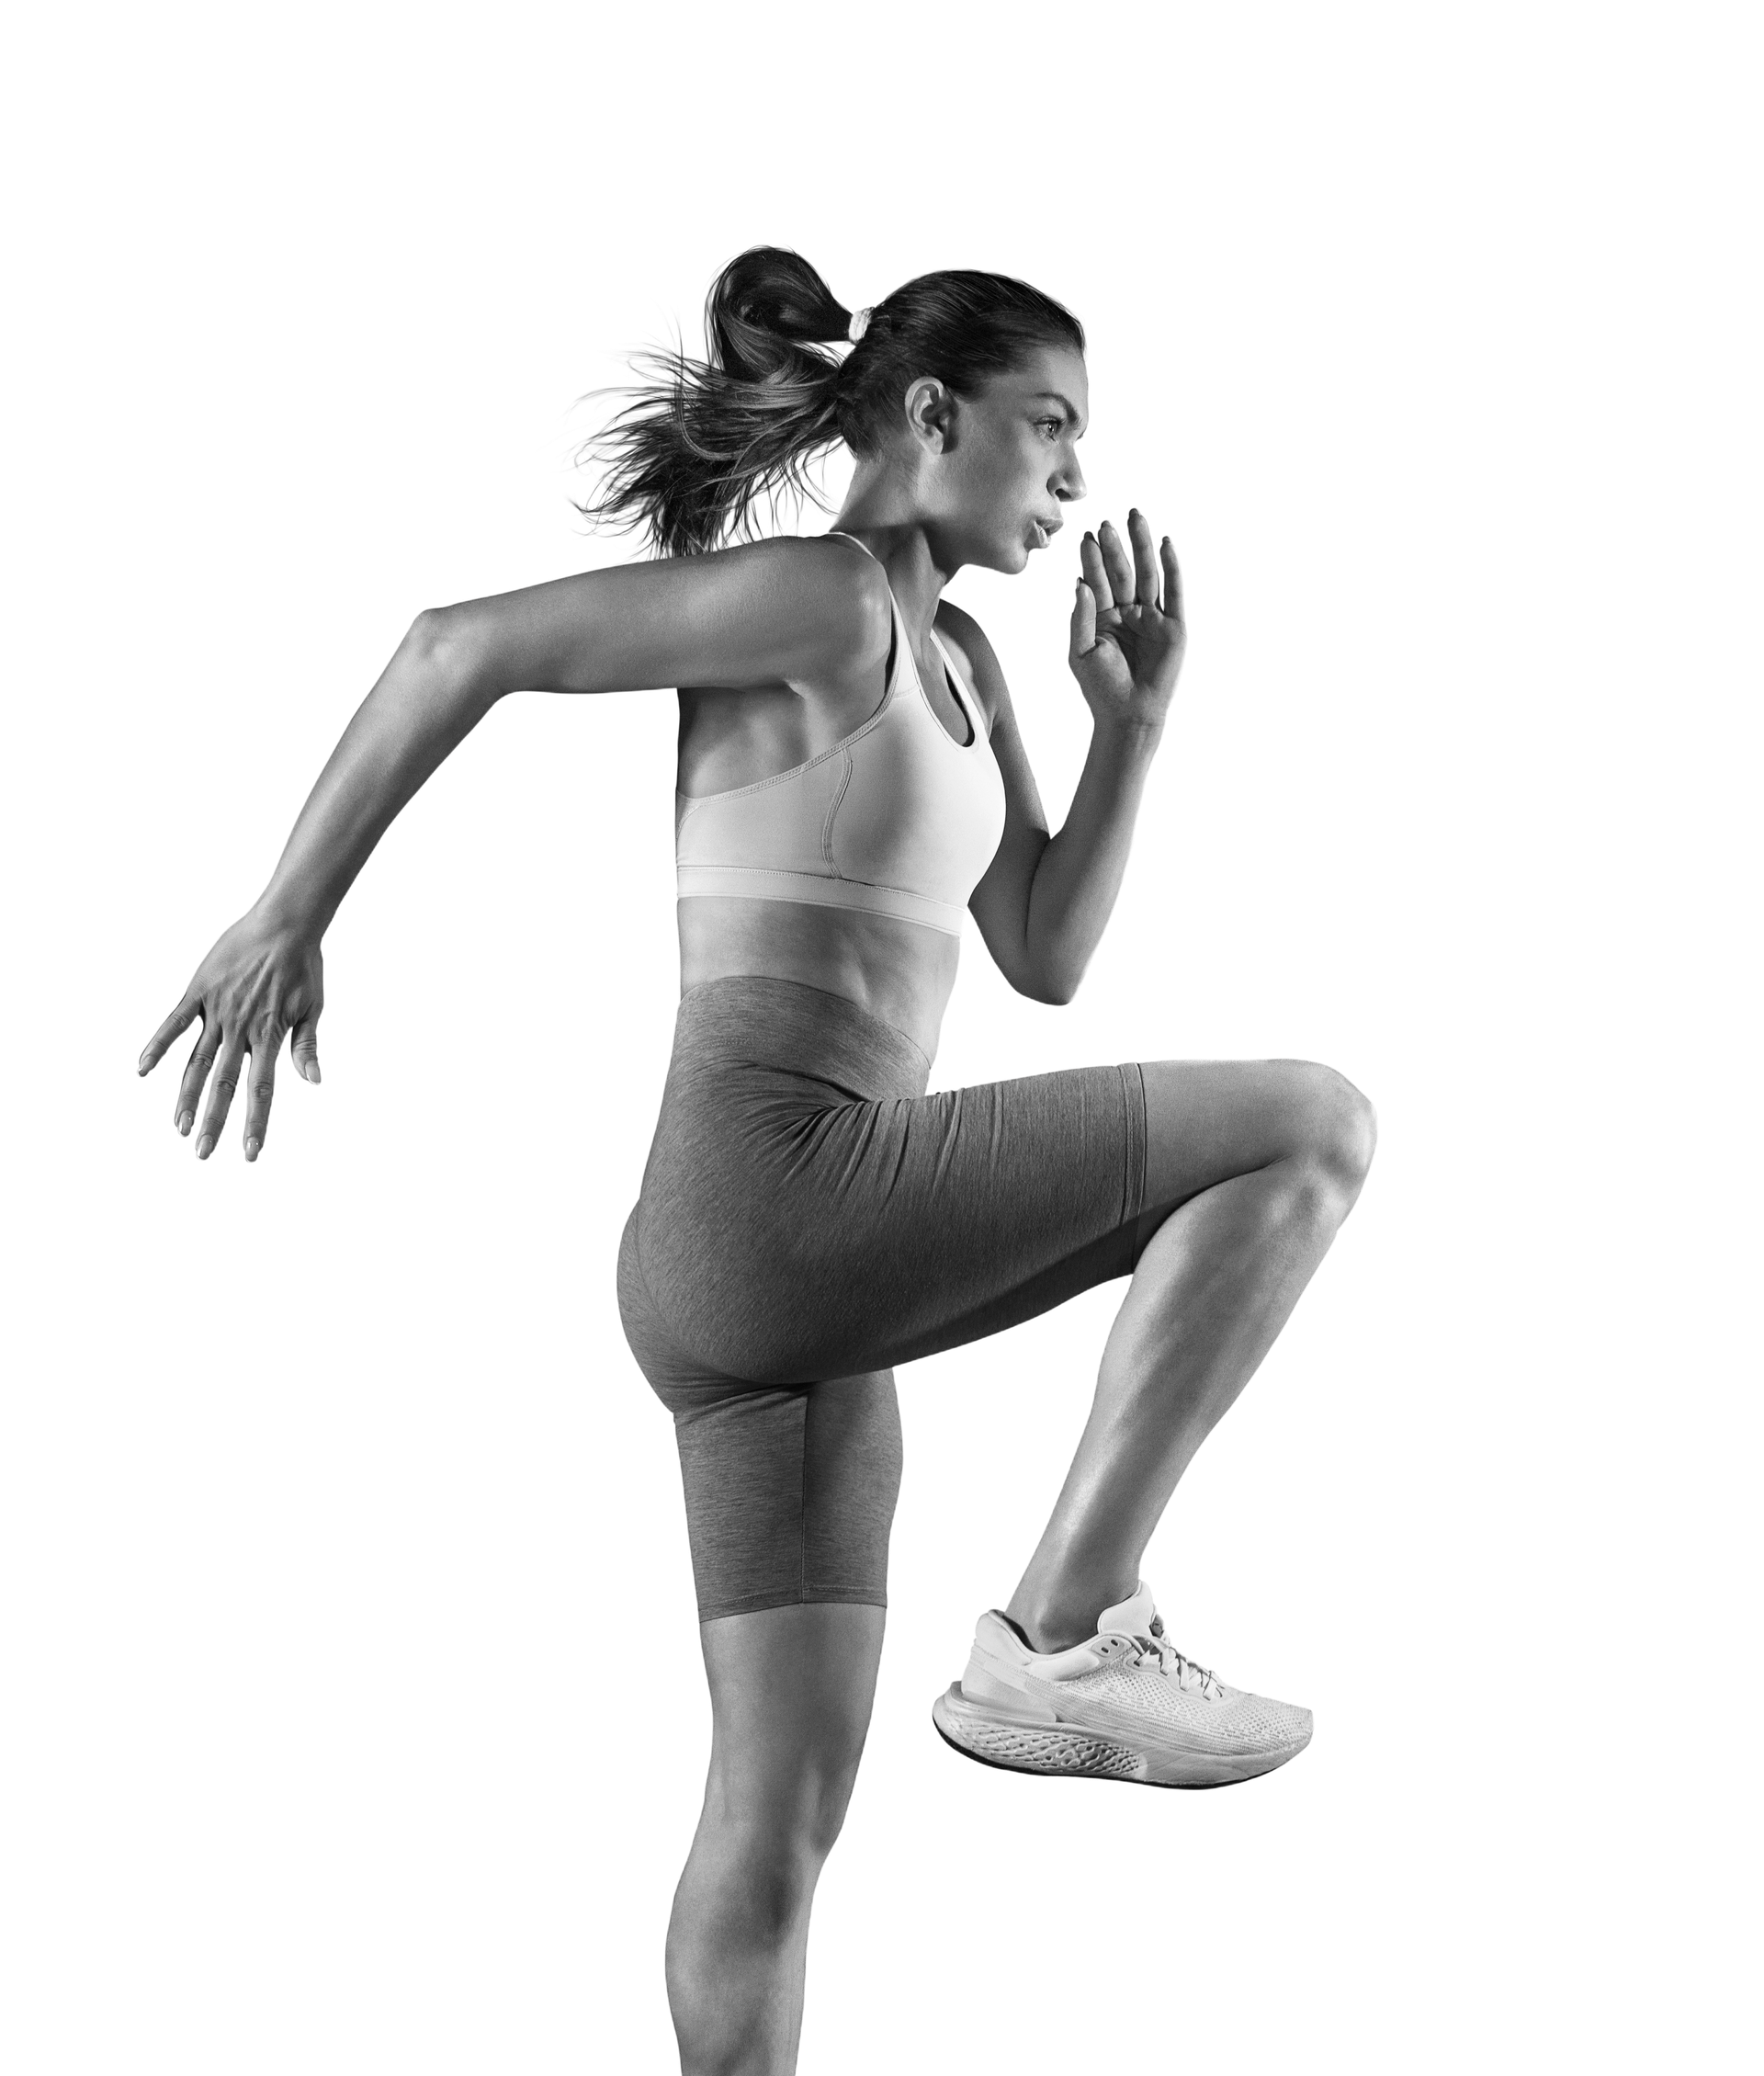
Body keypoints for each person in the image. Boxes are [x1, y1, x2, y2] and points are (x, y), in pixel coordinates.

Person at [132, 240, 1380, 2074]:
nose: (1076, 478)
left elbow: (1041, 955)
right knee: (1313, 1124)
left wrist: (1131, 729)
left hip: (781, 1281)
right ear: (932, 416)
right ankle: (1056, 1627)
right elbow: (457, 646)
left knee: (778, 1828)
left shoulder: (959, 656)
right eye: (1050, 429)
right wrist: (282, 913)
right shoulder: (819, 599)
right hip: (782, 1184)